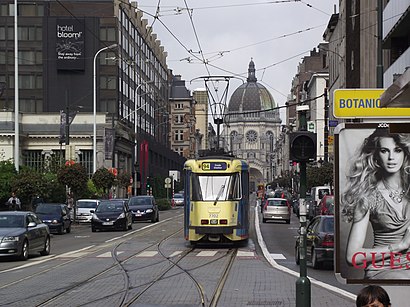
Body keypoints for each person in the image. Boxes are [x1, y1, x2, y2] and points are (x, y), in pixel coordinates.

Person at [341, 128, 410, 279]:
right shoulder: (368, 196)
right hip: (384, 271)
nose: (391, 157)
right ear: (376, 156)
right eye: (385, 151)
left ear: (405, 153)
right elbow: (352, 256)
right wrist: (400, 246)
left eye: (397, 150)